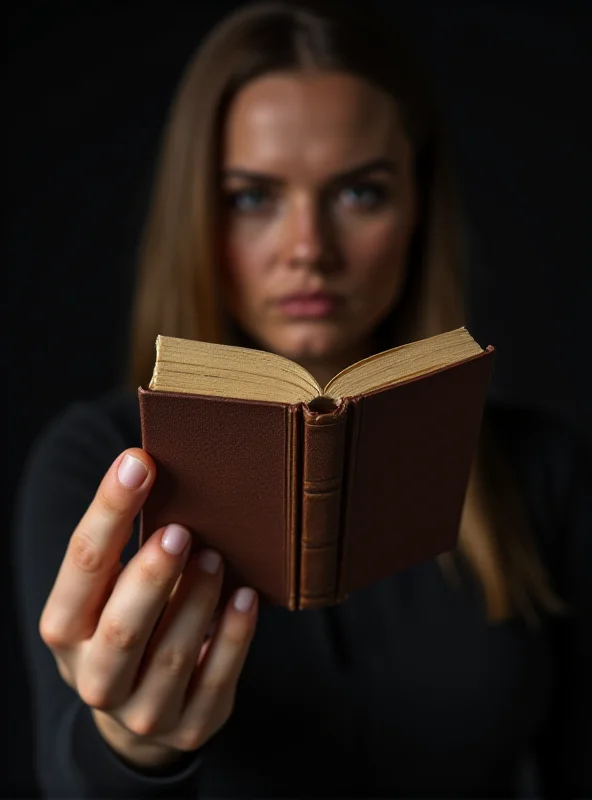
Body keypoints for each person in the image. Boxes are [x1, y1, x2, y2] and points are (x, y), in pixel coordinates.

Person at [13, 0, 591, 797]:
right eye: (253, 198)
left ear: (419, 208)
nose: (308, 249)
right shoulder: (92, 463)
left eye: (359, 194)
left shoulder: (540, 473)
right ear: (199, 216)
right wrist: (125, 742)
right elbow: (63, 777)